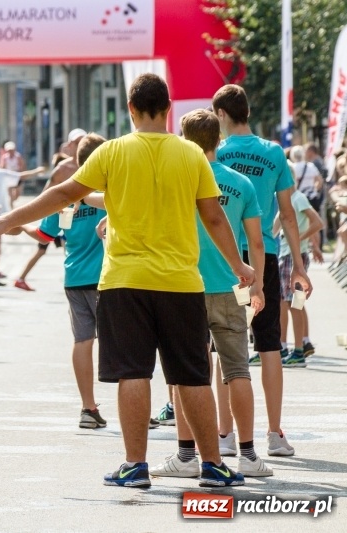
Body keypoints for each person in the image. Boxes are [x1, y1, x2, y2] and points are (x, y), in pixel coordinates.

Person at [0, 74, 253, 488]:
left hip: (124, 281)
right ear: (168, 108)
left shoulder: (112, 152)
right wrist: (240, 266)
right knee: (192, 375)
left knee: (133, 373)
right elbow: (214, 217)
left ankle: (135, 466)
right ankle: (213, 465)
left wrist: (8, 219)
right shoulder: (191, 154)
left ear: (130, 109)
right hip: (181, 282)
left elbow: (62, 195)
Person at [150, 109, 273, 481]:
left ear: (185, 141)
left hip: (184, 285)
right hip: (232, 287)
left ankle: (186, 455)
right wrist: (258, 284)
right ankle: (249, 455)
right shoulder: (241, 183)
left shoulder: (177, 181)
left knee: (186, 374)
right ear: (218, 140)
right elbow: (256, 240)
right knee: (238, 370)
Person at [213, 84, 312, 457]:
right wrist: (299, 265)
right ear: (247, 113)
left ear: (221, 114)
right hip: (264, 257)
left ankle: (224, 434)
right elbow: (287, 214)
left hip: (223, 258)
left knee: (222, 344)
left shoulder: (215, 152)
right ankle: (273, 432)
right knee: (269, 343)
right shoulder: (273, 152)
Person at [10, 134, 109, 428]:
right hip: (107, 277)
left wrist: (19, 224)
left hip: (74, 276)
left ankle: (87, 408)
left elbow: (43, 235)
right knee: (121, 343)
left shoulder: (68, 194)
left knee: (82, 341)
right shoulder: (111, 189)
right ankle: (135, 409)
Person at [15, 129, 87, 291]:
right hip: (65, 219)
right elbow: (46, 195)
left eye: (84, 141)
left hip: (89, 222)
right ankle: (22, 277)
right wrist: (56, 208)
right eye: (77, 142)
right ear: (70, 145)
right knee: (47, 244)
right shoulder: (63, 169)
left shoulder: (96, 164)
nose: (81, 145)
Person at [273, 188, 324, 366]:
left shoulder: (297, 198)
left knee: (292, 303)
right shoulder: (286, 199)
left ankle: (297, 350)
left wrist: (299, 239)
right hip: (287, 254)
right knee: (293, 302)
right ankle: (299, 344)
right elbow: (275, 228)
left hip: (293, 255)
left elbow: (317, 222)